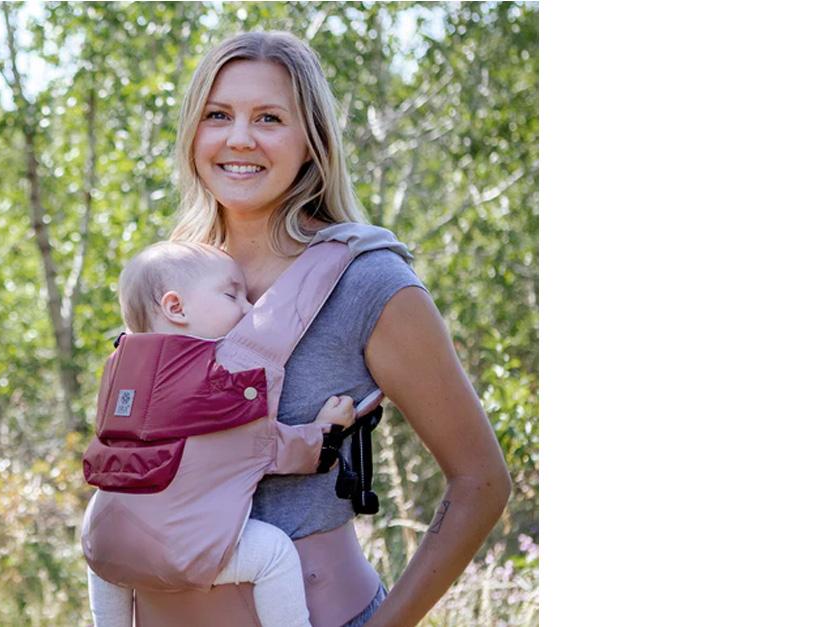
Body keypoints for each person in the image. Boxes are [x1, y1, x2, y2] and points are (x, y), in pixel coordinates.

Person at [156, 31, 512, 626]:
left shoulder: (367, 281)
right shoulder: (168, 276)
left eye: (268, 118)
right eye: (218, 115)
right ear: (194, 131)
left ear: (312, 144)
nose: (238, 138)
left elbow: (481, 482)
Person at [86, 239, 359, 627]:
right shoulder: (214, 382)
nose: (248, 310)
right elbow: (267, 448)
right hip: (181, 551)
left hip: (107, 549)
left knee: (103, 537)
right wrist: (325, 432)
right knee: (275, 554)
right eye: (233, 295)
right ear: (176, 307)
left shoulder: (121, 369)